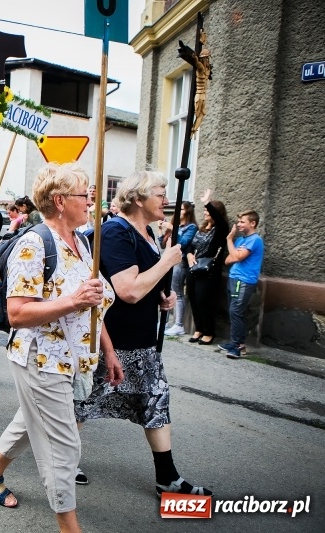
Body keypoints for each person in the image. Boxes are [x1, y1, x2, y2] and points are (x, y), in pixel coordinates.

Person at [0, 163, 121, 533]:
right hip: (42, 360)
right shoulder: (34, 243)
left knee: (29, 420)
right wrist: (72, 301)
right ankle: (69, 527)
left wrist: (108, 350)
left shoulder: (83, 240)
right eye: (84, 195)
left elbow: (94, 303)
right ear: (60, 201)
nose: (92, 201)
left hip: (75, 359)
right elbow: (18, 312)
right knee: (64, 448)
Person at [75, 170, 212, 497]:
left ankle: (167, 477)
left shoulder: (147, 232)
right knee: (82, 405)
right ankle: (61, 460)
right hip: (110, 340)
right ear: (137, 198)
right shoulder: (116, 233)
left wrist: (163, 297)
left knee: (156, 401)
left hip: (141, 342)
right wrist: (166, 262)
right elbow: (128, 291)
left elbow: (145, 286)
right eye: (159, 193)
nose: (165, 200)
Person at [219, 210, 264, 359]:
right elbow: (227, 260)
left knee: (236, 311)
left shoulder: (255, 240)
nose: (238, 224)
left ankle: (237, 346)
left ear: (252, 223)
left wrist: (229, 240)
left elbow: (237, 257)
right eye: (238, 222)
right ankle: (239, 343)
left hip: (243, 281)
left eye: (242, 222)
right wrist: (236, 254)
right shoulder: (240, 241)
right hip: (233, 278)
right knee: (235, 312)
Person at [186, 189, 229, 344]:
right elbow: (191, 245)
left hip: (209, 270)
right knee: (193, 298)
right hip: (194, 267)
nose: (205, 213)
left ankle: (209, 332)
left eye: (208, 210)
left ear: (216, 212)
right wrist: (190, 255)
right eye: (204, 210)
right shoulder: (202, 229)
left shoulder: (221, 229)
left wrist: (207, 202)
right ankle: (199, 329)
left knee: (204, 300)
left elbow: (220, 220)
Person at [161, 201, 198, 336]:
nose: (178, 212)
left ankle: (179, 325)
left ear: (187, 212)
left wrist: (172, 227)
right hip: (168, 261)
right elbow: (163, 243)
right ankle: (167, 322)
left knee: (178, 293)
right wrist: (162, 230)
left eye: (181, 209)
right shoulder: (175, 225)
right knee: (168, 291)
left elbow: (183, 243)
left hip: (179, 262)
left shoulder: (191, 227)